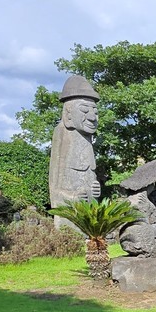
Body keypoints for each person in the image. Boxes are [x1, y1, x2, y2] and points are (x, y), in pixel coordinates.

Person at [49, 75, 101, 227]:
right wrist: (71, 197)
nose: (92, 117)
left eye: (95, 112)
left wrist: (95, 189)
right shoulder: (61, 133)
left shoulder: (88, 140)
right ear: (68, 113)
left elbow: (90, 174)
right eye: (84, 110)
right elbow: (54, 186)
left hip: (89, 215)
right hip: (69, 217)